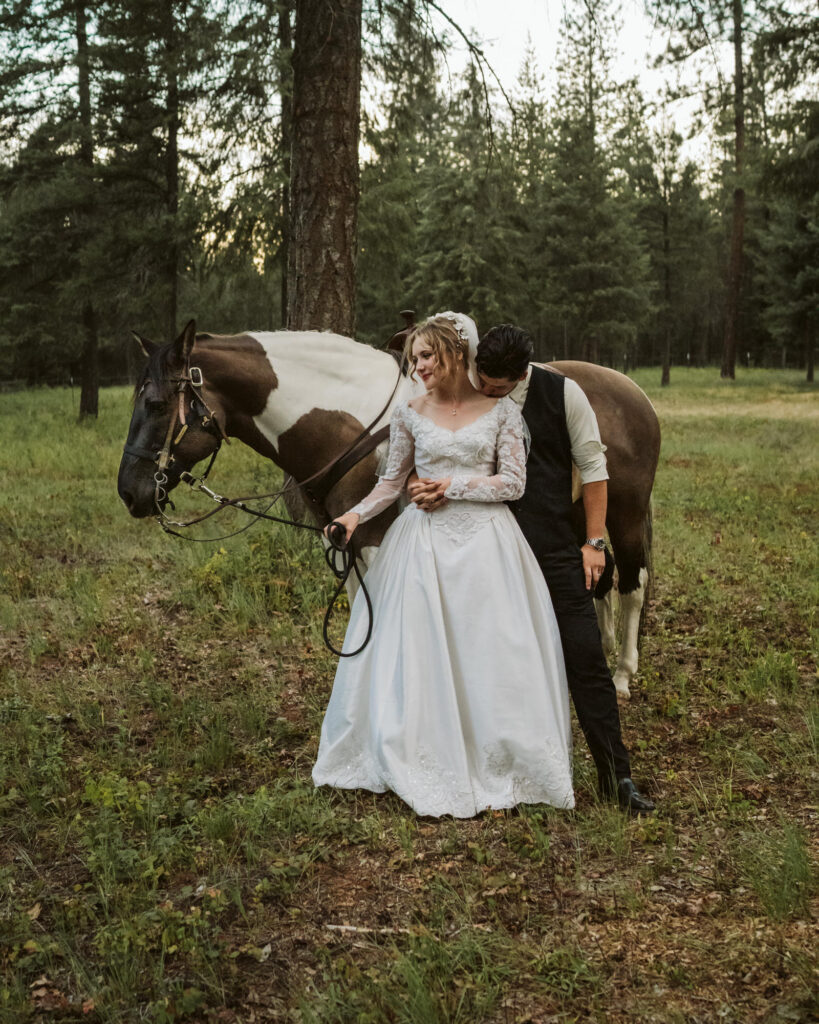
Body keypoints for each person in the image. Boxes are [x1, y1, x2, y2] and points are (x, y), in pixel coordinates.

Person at [312, 314, 574, 818]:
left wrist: (450, 487)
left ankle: (497, 750)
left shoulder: (500, 413)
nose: (419, 366)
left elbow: (513, 484)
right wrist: (351, 514)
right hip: (424, 547)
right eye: (414, 359)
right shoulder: (410, 413)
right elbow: (391, 484)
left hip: (488, 548)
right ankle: (420, 747)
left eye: (426, 356)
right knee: (421, 649)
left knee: (490, 648)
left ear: (455, 353)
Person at [409, 324, 655, 814]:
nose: (487, 390)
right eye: (482, 378)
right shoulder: (464, 387)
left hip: (549, 543)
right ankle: (486, 768)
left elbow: (594, 467)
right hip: (482, 546)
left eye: (498, 387)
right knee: (478, 658)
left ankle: (616, 776)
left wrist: (592, 542)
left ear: (522, 375)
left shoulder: (564, 395)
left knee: (585, 655)